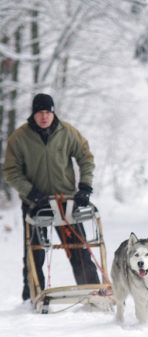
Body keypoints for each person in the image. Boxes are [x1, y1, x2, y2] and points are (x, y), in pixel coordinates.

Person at [2, 93, 100, 301]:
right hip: (36, 204)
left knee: (78, 249)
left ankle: (92, 291)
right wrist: (31, 193)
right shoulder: (19, 137)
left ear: (53, 112)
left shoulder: (67, 132)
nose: (44, 117)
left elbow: (86, 158)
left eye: (48, 112)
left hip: (66, 202)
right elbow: (11, 171)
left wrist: (85, 186)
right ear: (33, 114)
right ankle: (32, 296)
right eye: (40, 113)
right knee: (34, 251)